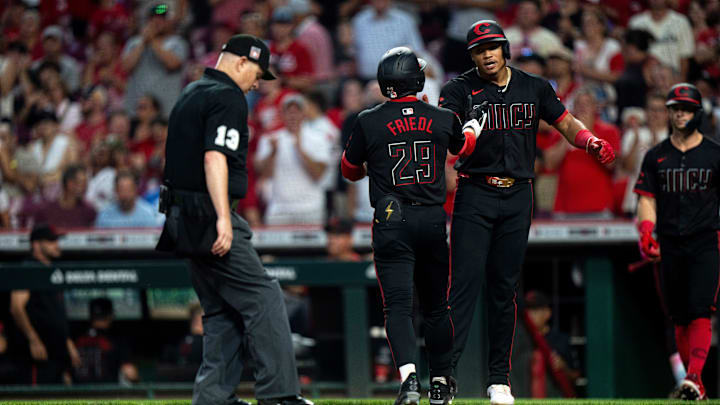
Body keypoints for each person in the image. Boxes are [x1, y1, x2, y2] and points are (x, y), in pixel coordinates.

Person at [438, 20, 615, 405]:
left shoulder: (533, 86)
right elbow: (450, 133)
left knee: (504, 288)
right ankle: (445, 377)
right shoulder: (458, 88)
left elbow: (565, 122)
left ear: (505, 49)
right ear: (471, 55)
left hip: (518, 195)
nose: (486, 54)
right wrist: (462, 137)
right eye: (479, 50)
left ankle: (499, 380)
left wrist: (589, 141)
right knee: (463, 288)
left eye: (492, 47)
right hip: (474, 194)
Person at [156, 33, 312, 405]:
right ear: (241, 61)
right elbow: (214, 157)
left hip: (181, 216)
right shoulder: (227, 95)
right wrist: (223, 219)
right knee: (265, 297)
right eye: (258, 72)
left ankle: (213, 398)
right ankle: (280, 396)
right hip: (209, 214)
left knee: (220, 309)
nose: (258, 83)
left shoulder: (192, 91)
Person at [342, 46, 483, 405]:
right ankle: (440, 380)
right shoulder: (439, 117)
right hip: (432, 217)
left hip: (391, 219)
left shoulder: (368, 120)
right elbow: (463, 147)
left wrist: (372, 166)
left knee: (399, 307)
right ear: (416, 80)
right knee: (436, 307)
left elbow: (348, 169)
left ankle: (408, 379)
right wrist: (473, 127)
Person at [634, 83, 720, 400]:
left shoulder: (714, 154)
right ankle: (695, 386)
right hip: (669, 244)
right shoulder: (656, 157)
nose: (680, 113)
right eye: (675, 108)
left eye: (685, 108)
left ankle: (693, 376)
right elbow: (647, 199)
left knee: (700, 310)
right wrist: (645, 231)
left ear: (698, 113)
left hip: (706, 240)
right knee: (679, 317)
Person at [8, 224, 81, 384]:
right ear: (36, 244)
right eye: (51, 241)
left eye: (56, 241)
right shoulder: (29, 268)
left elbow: (57, 314)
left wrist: (68, 344)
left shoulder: (52, 271)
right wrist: (33, 339)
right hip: (38, 352)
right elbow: (16, 307)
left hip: (56, 350)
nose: (56, 245)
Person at [73, 297, 139, 384]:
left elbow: (67, 377)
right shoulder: (116, 339)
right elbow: (130, 373)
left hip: (78, 395)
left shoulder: (75, 340)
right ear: (110, 316)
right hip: (107, 394)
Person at [95, 169, 163, 228]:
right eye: (121, 190)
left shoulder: (148, 214)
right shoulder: (105, 216)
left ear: (135, 190)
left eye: (129, 190)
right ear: (115, 191)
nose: (125, 194)